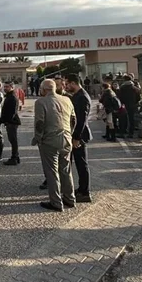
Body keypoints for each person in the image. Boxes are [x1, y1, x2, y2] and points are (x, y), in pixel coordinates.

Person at [32, 79, 76, 212]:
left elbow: (40, 122)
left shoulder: (41, 102)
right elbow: (74, 119)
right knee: (66, 169)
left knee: (52, 171)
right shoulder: (67, 100)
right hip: (66, 138)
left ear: (44, 89)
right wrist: (70, 133)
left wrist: (38, 138)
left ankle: (56, 202)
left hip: (50, 140)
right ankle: (70, 198)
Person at [65, 74, 92, 203]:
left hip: (79, 136)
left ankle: (85, 192)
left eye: (68, 83)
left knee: (81, 164)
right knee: (78, 163)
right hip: (75, 134)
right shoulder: (77, 96)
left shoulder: (82, 97)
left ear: (74, 83)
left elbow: (81, 120)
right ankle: (81, 189)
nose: (66, 86)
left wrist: (76, 137)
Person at [1, 82, 21, 165]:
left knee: (13, 140)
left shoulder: (12, 97)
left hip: (12, 122)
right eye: (4, 87)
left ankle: (14, 157)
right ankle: (16, 157)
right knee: (13, 140)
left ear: (12, 87)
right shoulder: (10, 96)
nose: (5, 88)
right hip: (10, 121)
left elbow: (12, 112)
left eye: (7, 87)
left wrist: (6, 121)